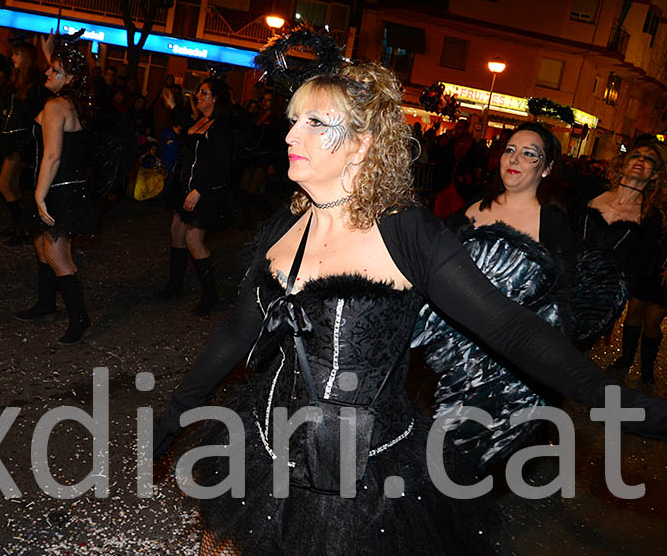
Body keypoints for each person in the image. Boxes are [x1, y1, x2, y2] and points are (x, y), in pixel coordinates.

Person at [152, 61, 667, 556]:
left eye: (314, 122)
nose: (291, 136)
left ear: (362, 143)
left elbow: (514, 331)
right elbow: (235, 334)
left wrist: (628, 408)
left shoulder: (407, 231)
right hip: (264, 447)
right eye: (293, 121)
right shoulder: (282, 227)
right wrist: (174, 415)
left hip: (363, 476)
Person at [415, 122, 575, 470]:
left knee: (470, 455)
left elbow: (560, 301)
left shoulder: (552, 224)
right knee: (430, 442)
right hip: (450, 351)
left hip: (504, 361)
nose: (515, 159)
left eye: (529, 153)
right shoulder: (473, 210)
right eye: (510, 150)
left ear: (546, 168)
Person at [13, 38, 96, 344]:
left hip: (56, 190)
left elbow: (53, 155)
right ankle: (47, 302)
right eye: (49, 69)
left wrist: (38, 195)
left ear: (70, 78)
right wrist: (51, 55)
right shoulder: (70, 102)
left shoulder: (55, 106)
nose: (47, 74)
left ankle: (80, 318)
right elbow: (62, 73)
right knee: (41, 245)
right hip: (62, 186)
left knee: (58, 255)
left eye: (55, 71)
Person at [157, 78, 234, 314]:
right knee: (176, 233)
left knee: (194, 241)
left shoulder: (221, 127)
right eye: (199, 92)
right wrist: (172, 106)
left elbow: (221, 165)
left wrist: (198, 191)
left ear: (215, 98)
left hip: (203, 193)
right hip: (184, 188)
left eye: (203, 92)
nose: (198, 96)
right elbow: (187, 125)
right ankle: (175, 285)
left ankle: (210, 296)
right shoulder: (201, 121)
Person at [597, 139, 667, 384]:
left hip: (663, 271)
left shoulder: (658, 205)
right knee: (634, 312)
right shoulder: (649, 200)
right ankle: (626, 359)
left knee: (652, 322)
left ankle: (646, 369)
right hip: (646, 266)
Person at [0, 41, 44, 243]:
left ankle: (22, 229)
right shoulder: (20, 82)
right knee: (12, 184)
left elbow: (35, 115)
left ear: (26, 58)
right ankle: (19, 226)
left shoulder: (34, 86)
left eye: (17, 54)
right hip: (12, 136)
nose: (12, 58)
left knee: (4, 184)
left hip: (20, 138)